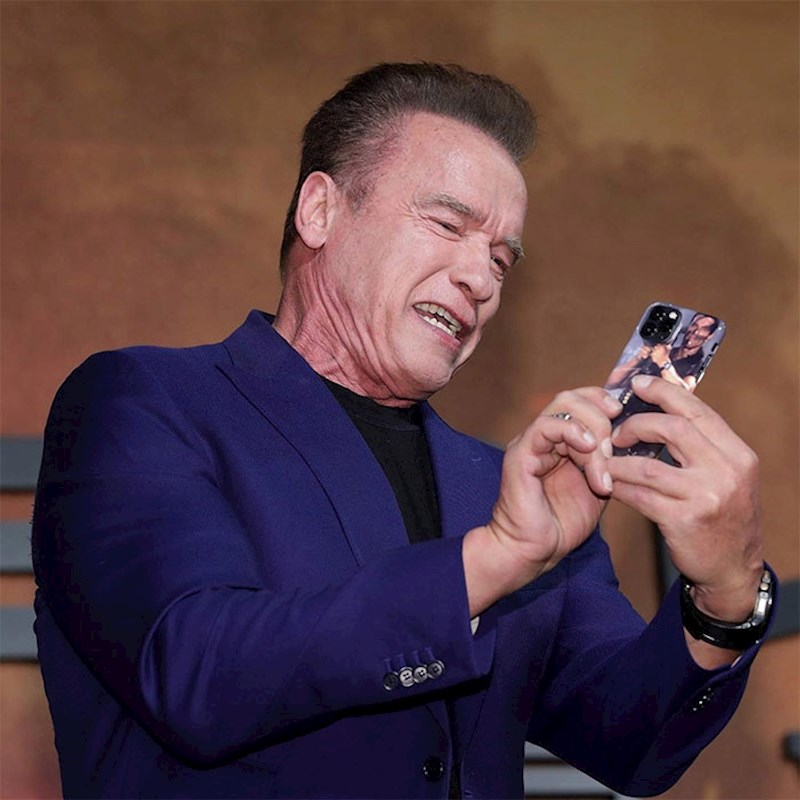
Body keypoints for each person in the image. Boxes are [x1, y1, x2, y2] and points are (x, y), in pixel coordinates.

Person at [32, 63, 774, 800]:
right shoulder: (145, 403)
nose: (480, 280)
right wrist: (494, 559)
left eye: (501, 261)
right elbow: (192, 672)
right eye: (448, 225)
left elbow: (631, 744)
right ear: (320, 211)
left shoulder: (507, 486)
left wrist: (725, 597)